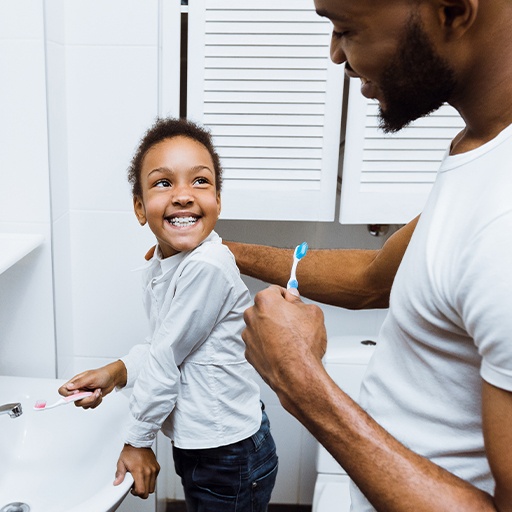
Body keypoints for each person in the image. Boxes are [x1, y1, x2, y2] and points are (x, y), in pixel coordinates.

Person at [227, 0, 512, 510]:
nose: (336, 53)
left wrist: (300, 382)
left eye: (345, 28)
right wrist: (225, 251)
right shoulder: (482, 148)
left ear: (451, 10)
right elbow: (374, 279)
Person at [58, 117, 278, 511]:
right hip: (206, 443)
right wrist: (116, 371)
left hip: (228, 451)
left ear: (218, 201)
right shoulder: (167, 264)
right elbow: (164, 345)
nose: (183, 195)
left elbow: (165, 359)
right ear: (140, 208)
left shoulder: (206, 266)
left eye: (200, 181)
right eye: (164, 183)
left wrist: (138, 440)